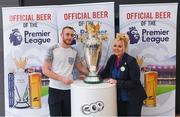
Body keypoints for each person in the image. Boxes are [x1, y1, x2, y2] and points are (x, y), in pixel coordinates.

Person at [42, 26, 89, 116]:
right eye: (67, 34)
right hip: (55, 90)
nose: (69, 37)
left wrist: (93, 75)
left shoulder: (74, 51)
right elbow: (45, 70)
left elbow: (81, 68)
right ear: (61, 35)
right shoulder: (52, 49)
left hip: (69, 91)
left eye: (72, 35)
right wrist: (62, 79)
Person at [99, 32, 147, 116]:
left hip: (133, 98)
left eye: (120, 46)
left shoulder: (131, 61)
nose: (116, 48)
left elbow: (134, 82)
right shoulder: (112, 58)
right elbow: (105, 73)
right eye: (115, 46)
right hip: (119, 99)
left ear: (125, 48)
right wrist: (93, 77)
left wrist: (117, 82)